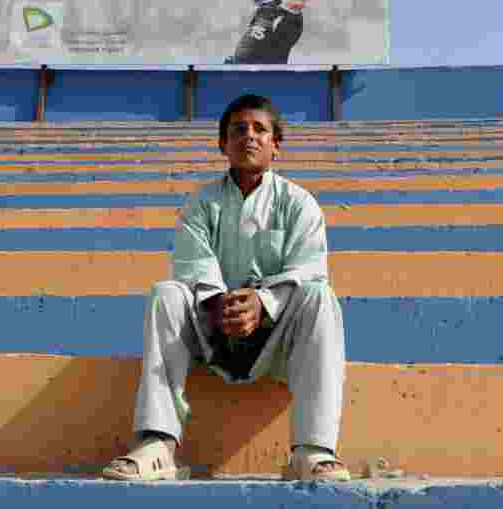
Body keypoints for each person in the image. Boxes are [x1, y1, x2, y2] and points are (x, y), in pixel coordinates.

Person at [102, 94, 349, 482]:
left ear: (275, 146)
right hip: (211, 335)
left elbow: (308, 270)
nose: (248, 137)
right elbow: (191, 265)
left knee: (319, 295)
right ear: (223, 144)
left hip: (275, 342)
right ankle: (157, 445)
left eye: (260, 129)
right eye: (238, 129)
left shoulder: (299, 204)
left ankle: (312, 452)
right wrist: (220, 304)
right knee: (167, 293)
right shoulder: (201, 203)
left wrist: (262, 304)